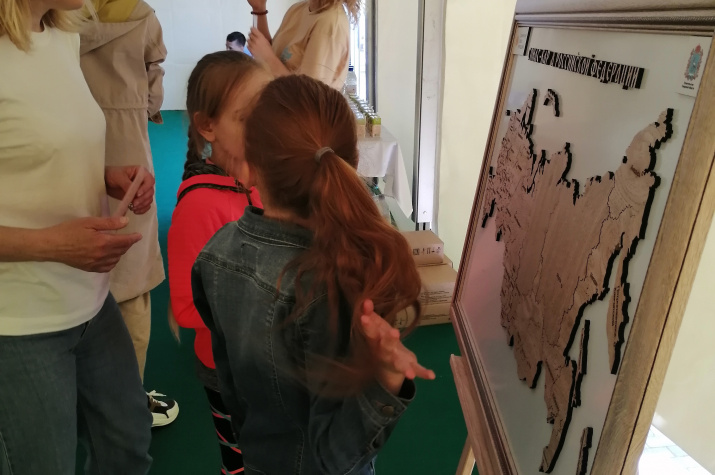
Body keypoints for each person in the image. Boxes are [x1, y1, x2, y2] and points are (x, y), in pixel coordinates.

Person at [192, 74, 435, 475]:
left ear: (251, 169)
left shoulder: (214, 254)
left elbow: (229, 386)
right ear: (352, 164)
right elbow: (333, 459)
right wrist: (385, 380)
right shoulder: (327, 287)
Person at [0, 0, 154, 473]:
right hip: (19, 321)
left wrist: (105, 176)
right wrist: (52, 245)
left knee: (127, 445)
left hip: (90, 301)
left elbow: (34, 149)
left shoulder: (61, 40)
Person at [79, 0, 179, 427]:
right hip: (128, 147)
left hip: (67, 143)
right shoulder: (141, 15)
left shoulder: (52, 17)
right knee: (132, 280)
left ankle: (75, 401)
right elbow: (154, 90)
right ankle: (127, 402)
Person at [168, 51, 266, 474]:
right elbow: (187, 308)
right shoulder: (199, 206)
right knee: (243, 462)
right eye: (248, 119)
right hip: (230, 369)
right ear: (208, 126)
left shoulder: (265, 185)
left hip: (273, 361)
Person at [246, 0, 357, 90]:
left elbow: (309, 94)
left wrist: (268, 58)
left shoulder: (330, 23)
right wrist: (259, 9)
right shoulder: (297, 9)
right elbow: (272, 54)